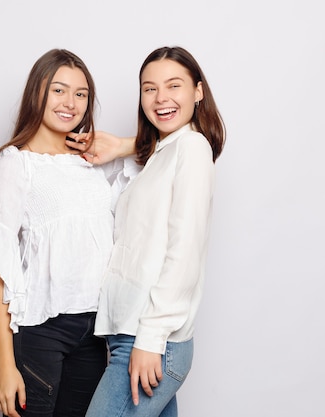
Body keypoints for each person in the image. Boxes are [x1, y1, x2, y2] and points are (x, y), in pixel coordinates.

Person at [0, 49, 138, 417]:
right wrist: (4, 365)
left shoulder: (93, 161)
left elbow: (160, 157)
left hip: (94, 332)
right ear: (37, 93)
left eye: (81, 94)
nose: (70, 103)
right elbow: (0, 265)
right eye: (59, 90)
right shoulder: (16, 162)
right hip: (41, 330)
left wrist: (119, 146)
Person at [79, 46, 226, 417]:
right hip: (130, 336)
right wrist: (126, 146)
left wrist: (151, 339)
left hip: (149, 340)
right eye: (149, 88)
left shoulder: (192, 149)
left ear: (197, 91)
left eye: (173, 86)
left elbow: (184, 252)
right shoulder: (163, 154)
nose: (161, 98)